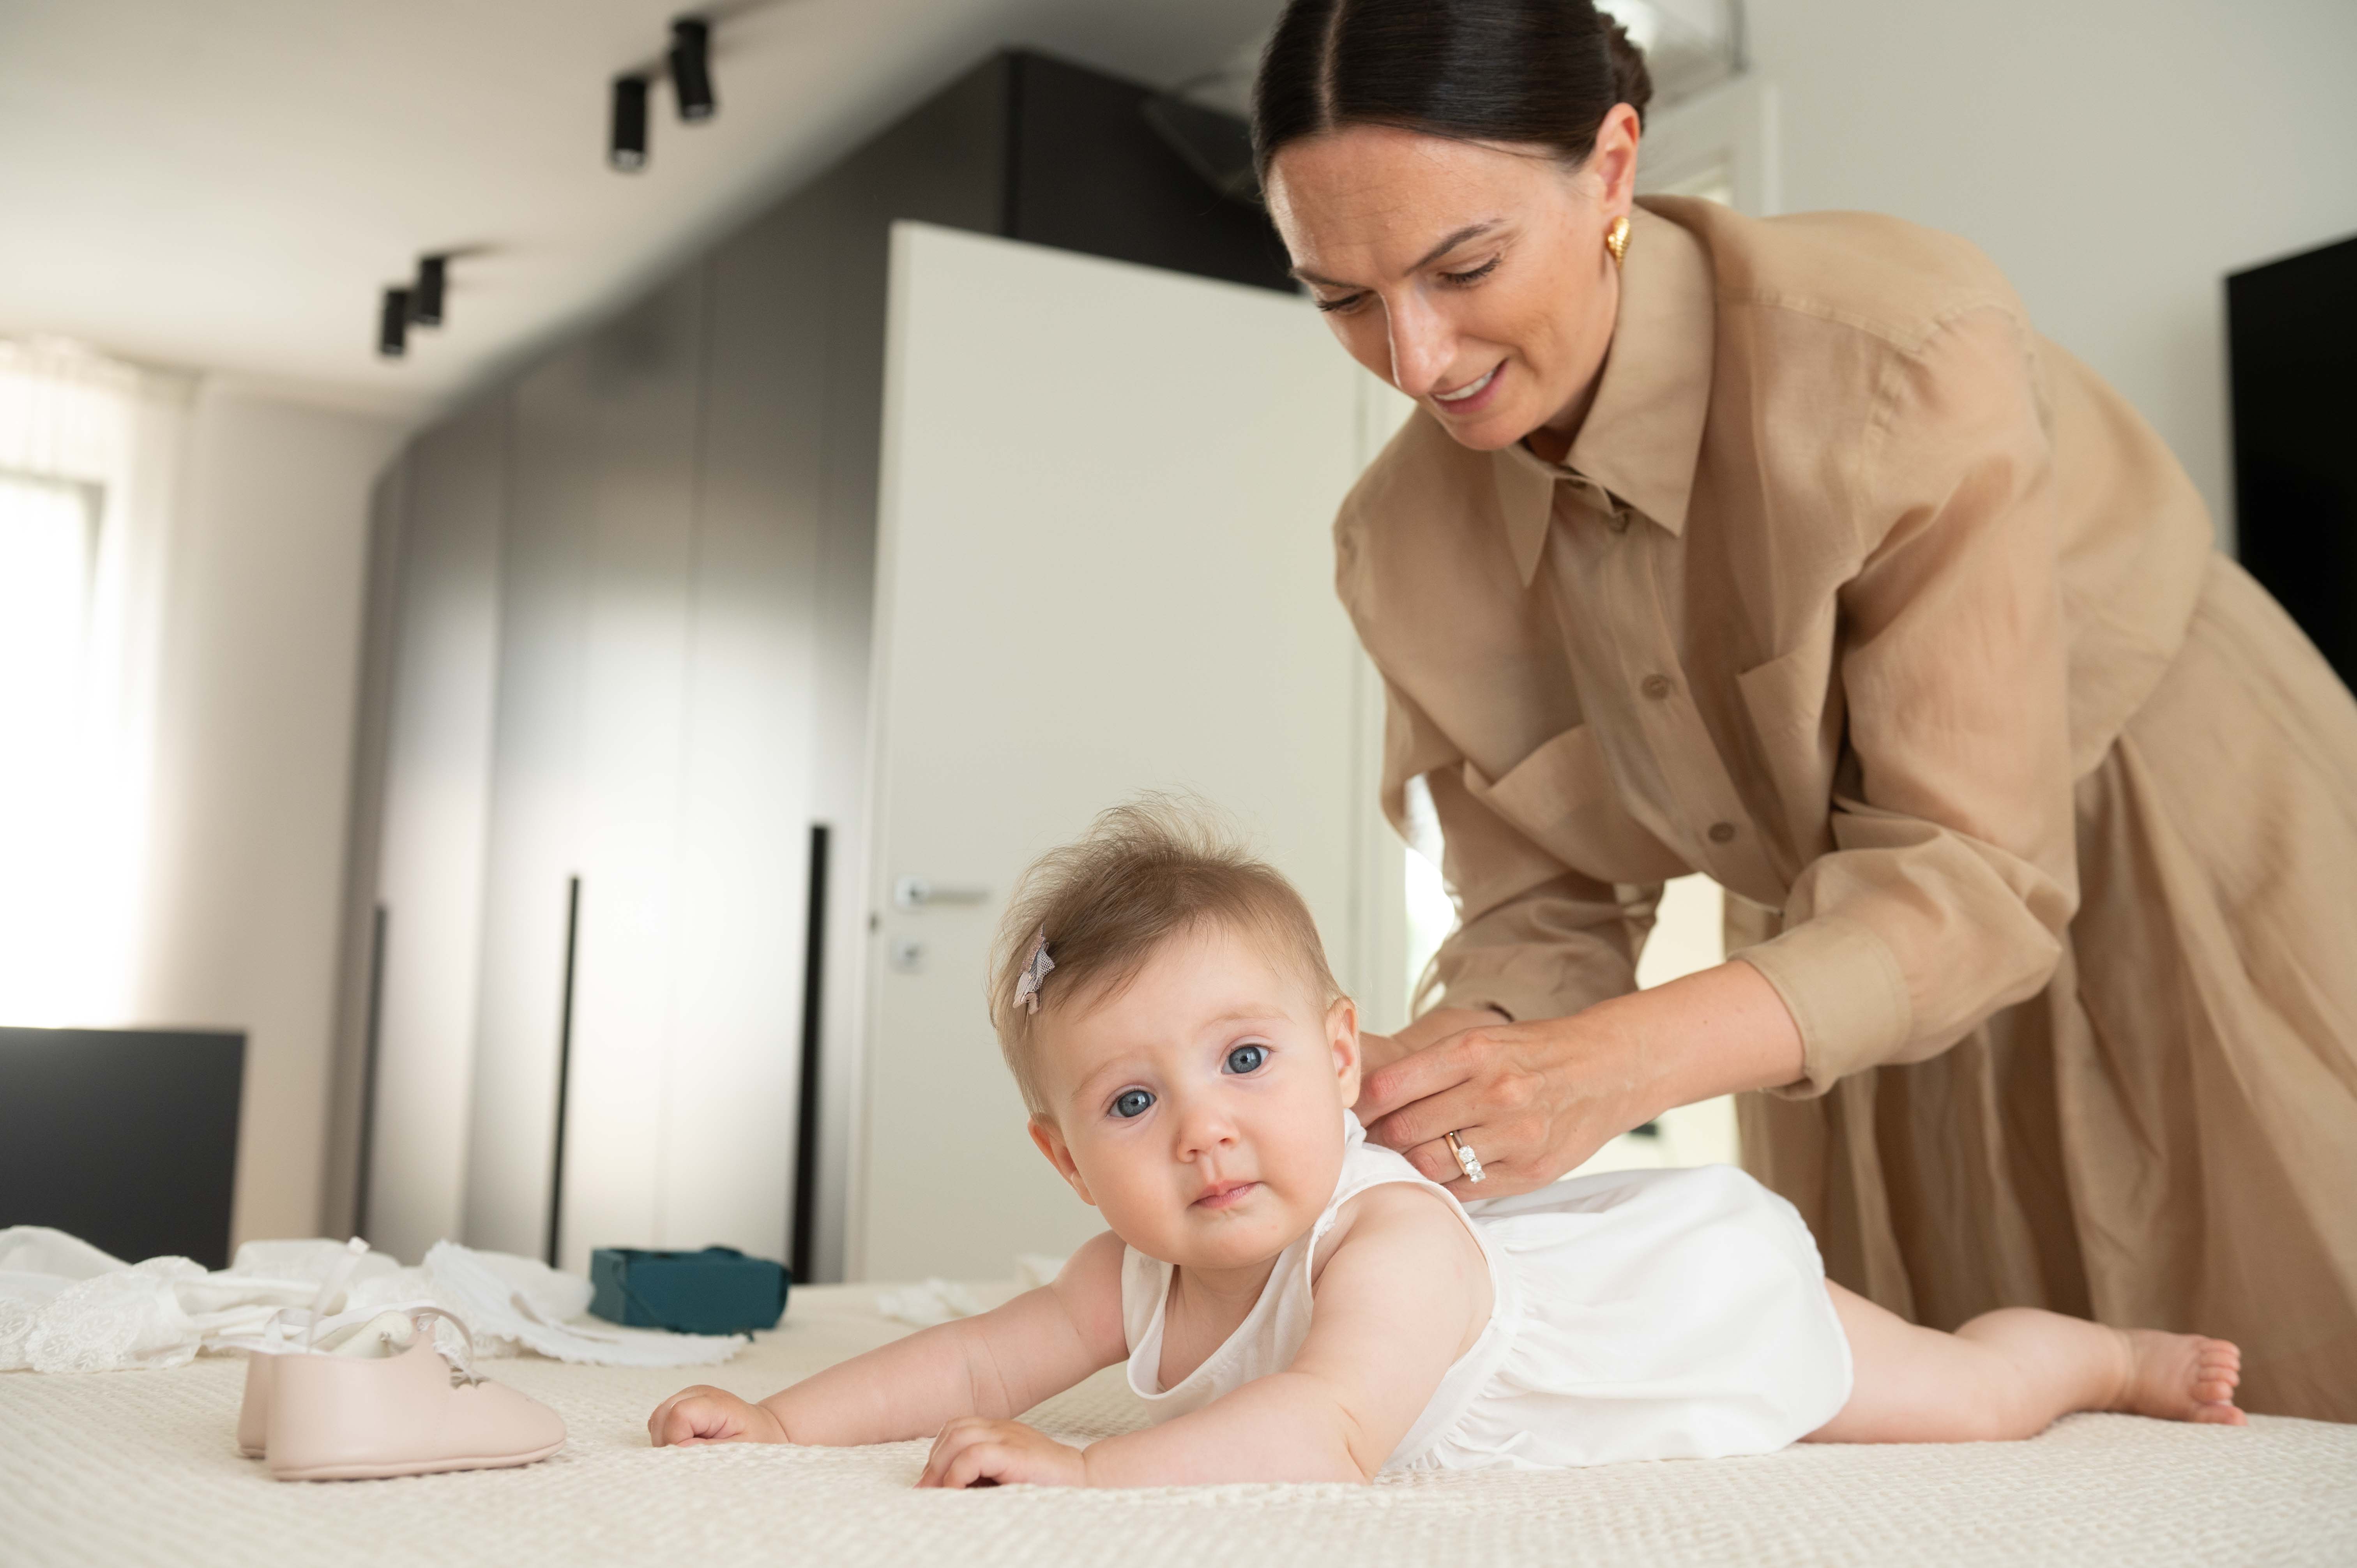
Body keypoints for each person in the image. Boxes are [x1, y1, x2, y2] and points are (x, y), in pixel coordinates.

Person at [1249, 0, 2357, 1421]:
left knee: (2284, 1361)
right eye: (1341, 299)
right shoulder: (1402, 542)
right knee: (1953, 1424)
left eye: (1463, 267)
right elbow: (1544, 911)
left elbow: (1974, 877)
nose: (1415, 360)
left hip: (2171, 856)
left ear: (1612, 165)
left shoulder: (1899, 352)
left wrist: (1612, 1066)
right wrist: (1458, 1072)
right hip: (1836, 977)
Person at [645, 804, 2244, 1485]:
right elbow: (969, 1360)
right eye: (1133, 1104)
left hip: (1693, 1308)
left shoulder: (1386, 1239)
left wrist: (1086, 1470)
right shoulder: (1122, 1271)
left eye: (1247, 1061)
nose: (1205, 1128)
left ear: (1343, 1060)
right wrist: (780, 1425)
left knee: (1966, 1402)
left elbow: (1331, 1428)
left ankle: (2102, 1356)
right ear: (1069, 1160)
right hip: (1620, 1301)